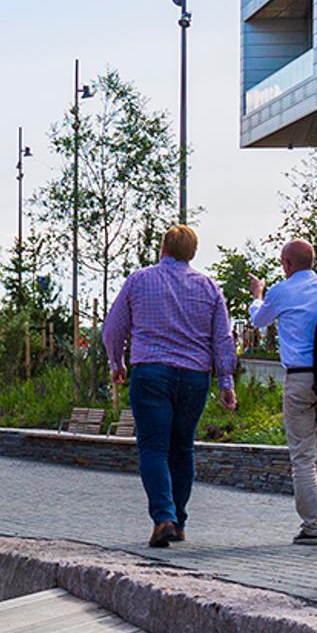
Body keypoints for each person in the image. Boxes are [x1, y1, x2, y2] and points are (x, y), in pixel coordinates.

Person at [102, 224, 238, 548]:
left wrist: (116, 363)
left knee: (153, 448)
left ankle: (164, 518)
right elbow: (223, 338)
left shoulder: (140, 280)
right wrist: (226, 381)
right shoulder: (209, 287)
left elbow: (113, 328)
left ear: (163, 249)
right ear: (192, 252)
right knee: (182, 448)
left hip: (151, 373)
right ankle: (178, 520)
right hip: (194, 377)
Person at [248, 238, 317, 545]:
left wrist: (257, 295)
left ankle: (311, 527)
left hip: (300, 379)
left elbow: (258, 320)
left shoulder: (281, 291)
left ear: (287, 264)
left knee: (303, 454)